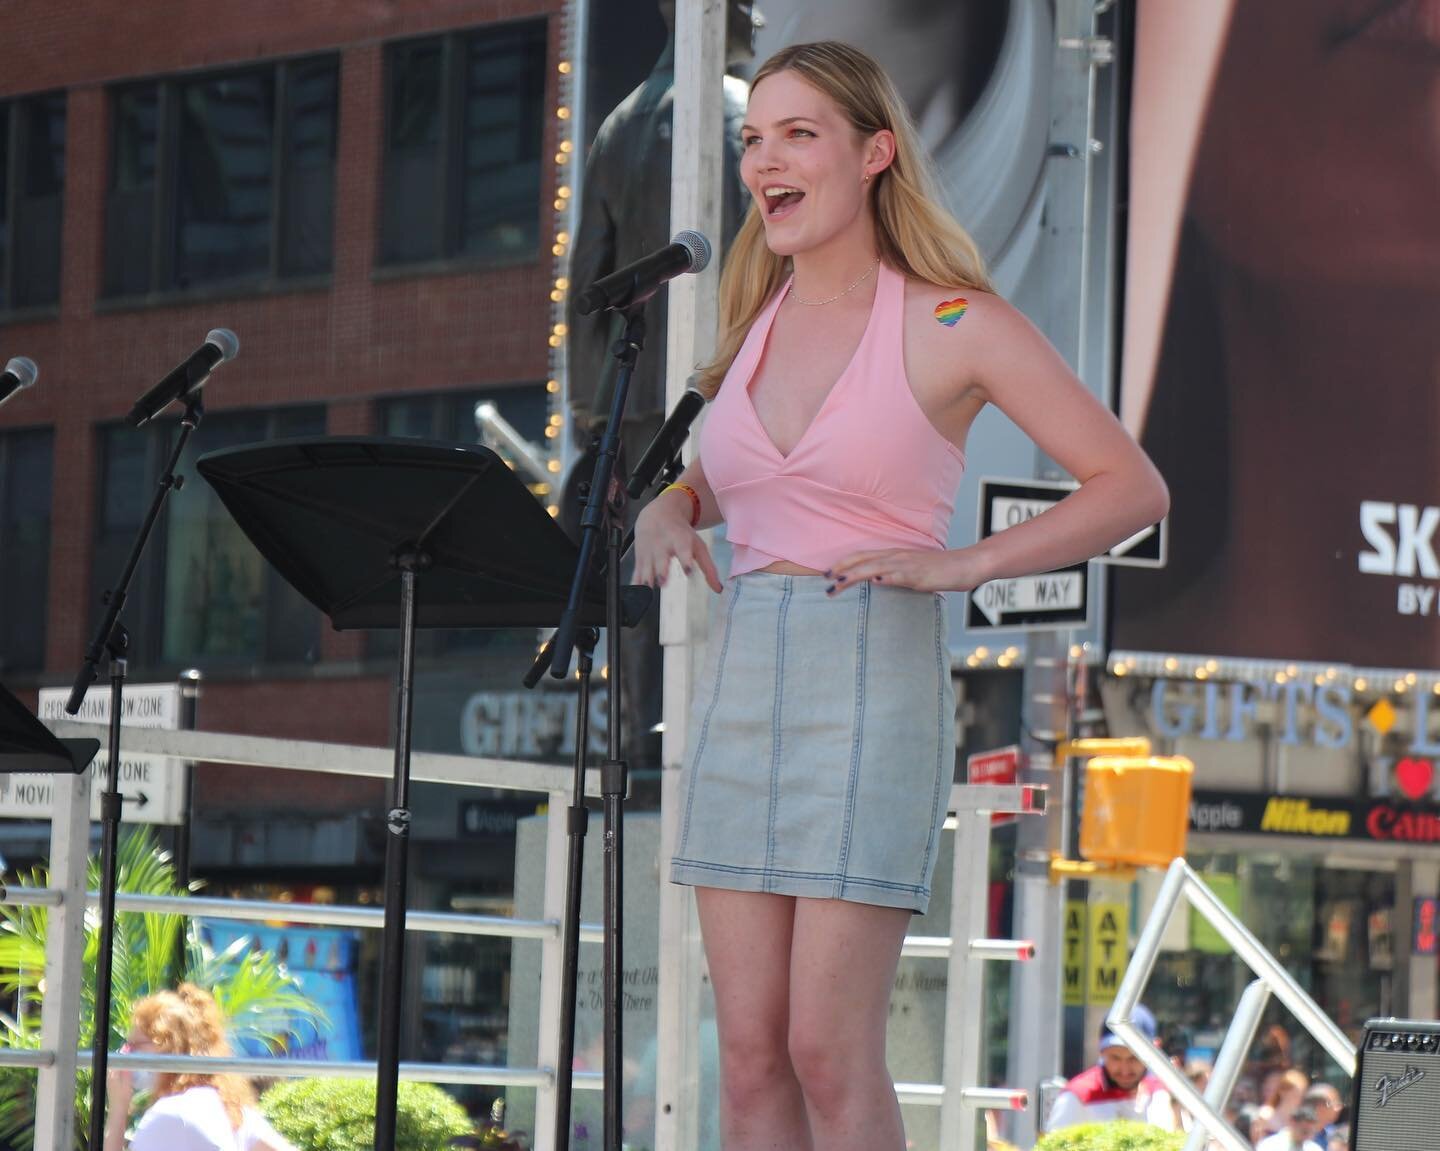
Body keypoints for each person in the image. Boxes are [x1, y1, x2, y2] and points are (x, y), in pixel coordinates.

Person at [632, 40, 1168, 1151]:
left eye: (797, 134)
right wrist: (670, 506)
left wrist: (965, 564)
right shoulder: (749, 316)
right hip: (739, 685)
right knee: (747, 1055)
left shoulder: (953, 321)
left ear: (875, 152)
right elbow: (723, 478)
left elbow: (1132, 486)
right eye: (752, 138)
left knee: (828, 1045)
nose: (762, 161)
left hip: (871, 677)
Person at [104, 984, 298, 1151]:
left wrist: (118, 1111)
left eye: (136, 1044)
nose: (125, 1053)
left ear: (167, 1046)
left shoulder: (170, 1115)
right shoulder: (233, 1112)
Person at [1047, 1007, 1176, 1131]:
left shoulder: (1159, 1092)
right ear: (1101, 1052)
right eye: (1115, 1058)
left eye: (1133, 1059)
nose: (1124, 1070)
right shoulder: (1076, 1096)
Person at [1253, 1068, 1310, 1144]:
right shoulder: (1265, 1114)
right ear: (1282, 1092)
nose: (1298, 1098)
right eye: (1294, 1094)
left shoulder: (1298, 1122)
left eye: (1301, 1094)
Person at [1256, 1105, 1325, 1151]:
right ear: (1292, 1123)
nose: (1307, 1134)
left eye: (1311, 1131)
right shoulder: (1271, 1145)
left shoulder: (1314, 1149)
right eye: (1304, 1130)